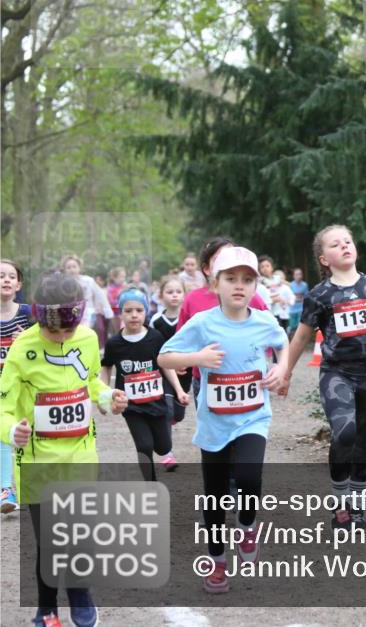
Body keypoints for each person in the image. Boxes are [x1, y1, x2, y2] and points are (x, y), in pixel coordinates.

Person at [0, 273, 128, 627]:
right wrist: (12, 429)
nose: (60, 339)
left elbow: (89, 382)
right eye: (52, 332)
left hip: (80, 454)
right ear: (39, 318)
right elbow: (2, 406)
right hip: (38, 460)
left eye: (67, 332)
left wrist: (108, 397)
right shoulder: (21, 349)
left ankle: (80, 596)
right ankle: (47, 608)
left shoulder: (87, 338)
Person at [159, 246, 289, 594]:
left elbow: (283, 342)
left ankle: (247, 525)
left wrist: (281, 367)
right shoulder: (202, 323)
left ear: (255, 286)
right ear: (215, 283)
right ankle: (218, 564)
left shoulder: (263, 320)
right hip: (214, 424)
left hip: (253, 418)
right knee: (214, 497)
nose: (239, 285)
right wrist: (197, 356)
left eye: (247, 280)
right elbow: (164, 357)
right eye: (230, 278)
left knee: (248, 477)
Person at [280, 225, 366, 530]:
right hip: (336, 373)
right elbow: (300, 340)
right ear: (324, 259)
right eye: (336, 245)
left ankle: (358, 507)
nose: (345, 247)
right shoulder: (319, 295)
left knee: (362, 439)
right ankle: (339, 504)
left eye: (348, 241)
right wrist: (285, 373)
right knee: (345, 432)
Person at [102, 288, 187, 481]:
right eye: (128, 310)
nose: (134, 315)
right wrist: (104, 397)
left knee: (163, 446)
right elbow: (106, 367)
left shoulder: (155, 337)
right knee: (144, 446)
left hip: (157, 402)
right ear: (120, 313)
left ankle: (165, 451)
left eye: (139, 310)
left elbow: (165, 365)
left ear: (146, 312)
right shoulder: (114, 343)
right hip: (131, 405)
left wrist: (179, 390)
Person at [177, 237, 270, 405]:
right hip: (207, 379)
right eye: (220, 258)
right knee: (212, 427)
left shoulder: (251, 297)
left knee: (249, 426)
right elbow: (181, 340)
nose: (229, 261)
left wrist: (274, 364)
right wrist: (185, 359)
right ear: (206, 269)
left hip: (247, 376)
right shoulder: (192, 299)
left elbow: (271, 332)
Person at [0, 258, 32, 514]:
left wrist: (27, 340)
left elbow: (46, 346)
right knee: (1, 437)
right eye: (1, 275)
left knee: (27, 436)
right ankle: (5, 489)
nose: (6, 279)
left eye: (11, 276)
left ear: (19, 283)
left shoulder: (28, 314)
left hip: (24, 387)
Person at [151, 276, 192, 439]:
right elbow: (153, 347)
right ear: (161, 297)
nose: (174, 295)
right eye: (169, 292)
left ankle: (172, 417)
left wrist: (185, 361)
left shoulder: (189, 319)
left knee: (178, 413)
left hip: (185, 370)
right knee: (167, 408)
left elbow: (194, 343)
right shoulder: (156, 320)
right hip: (164, 371)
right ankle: (165, 447)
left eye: (178, 292)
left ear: (184, 295)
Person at [60, 255, 112, 333]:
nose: (72, 270)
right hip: (70, 313)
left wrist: (107, 310)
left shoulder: (88, 280)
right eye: (69, 267)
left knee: (85, 331)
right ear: (64, 270)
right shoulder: (62, 284)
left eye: (74, 266)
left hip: (87, 312)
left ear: (79, 268)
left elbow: (100, 294)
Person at [270, 269, 295, 333]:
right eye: (277, 278)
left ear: (284, 278)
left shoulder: (285, 288)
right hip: (274, 313)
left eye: (281, 278)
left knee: (285, 330)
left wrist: (288, 302)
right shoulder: (272, 288)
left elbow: (292, 297)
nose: (279, 280)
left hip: (285, 314)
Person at [288, 267, 309, 337]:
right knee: (292, 326)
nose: (299, 276)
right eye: (296, 274)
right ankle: (291, 339)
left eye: (300, 274)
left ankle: (299, 340)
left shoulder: (305, 285)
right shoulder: (290, 285)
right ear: (293, 276)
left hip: (301, 309)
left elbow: (306, 297)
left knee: (299, 326)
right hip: (292, 309)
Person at [107, 267, 127, 335]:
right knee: (118, 330)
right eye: (121, 277)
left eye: (124, 277)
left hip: (125, 310)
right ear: (114, 278)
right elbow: (111, 301)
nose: (123, 279)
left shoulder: (125, 287)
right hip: (115, 311)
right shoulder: (110, 288)